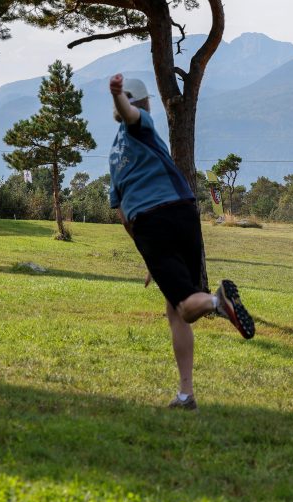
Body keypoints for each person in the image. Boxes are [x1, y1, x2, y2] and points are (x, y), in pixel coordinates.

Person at [108, 73, 255, 411]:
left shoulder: (134, 131)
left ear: (135, 103)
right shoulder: (133, 138)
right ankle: (185, 394)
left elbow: (124, 214)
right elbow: (123, 212)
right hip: (183, 212)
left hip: (152, 220)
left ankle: (218, 302)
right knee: (174, 308)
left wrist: (116, 95)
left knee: (186, 307)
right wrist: (150, 259)